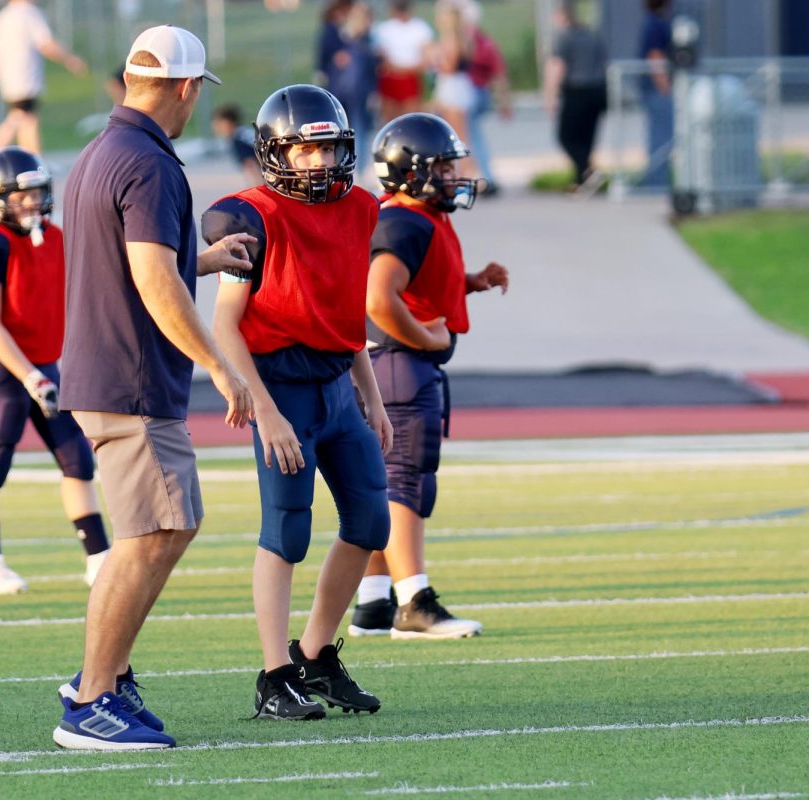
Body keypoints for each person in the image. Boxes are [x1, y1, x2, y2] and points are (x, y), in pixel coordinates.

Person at [54, 25, 255, 750]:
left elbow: (140, 260)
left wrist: (201, 258)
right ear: (186, 88)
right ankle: (91, 695)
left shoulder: (101, 152)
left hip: (106, 371)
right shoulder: (151, 163)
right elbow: (148, 277)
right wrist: (219, 363)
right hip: (131, 377)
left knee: (162, 528)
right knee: (151, 534)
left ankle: (104, 680)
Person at [205, 84, 392, 721]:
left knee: (370, 522)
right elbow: (226, 324)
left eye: (331, 149)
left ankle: (314, 655)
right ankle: (272, 674)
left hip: (337, 385)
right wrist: (265, 409)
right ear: (275, 152)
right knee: (287, 530)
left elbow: (345, 312)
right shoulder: (249, 215)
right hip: (280, 386)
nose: (321, 163)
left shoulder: (361, 208)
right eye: (307, 151)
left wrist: (372, 397)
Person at [349, 112, 508, 640]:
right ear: (410, 171)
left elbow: (420, 280)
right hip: (399, 363)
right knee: (405, 481)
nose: (452, 175)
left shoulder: (416, 218)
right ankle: (413, 600)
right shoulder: (404, 221)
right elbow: (379, 296)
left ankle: (372, 600)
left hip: (392, 364)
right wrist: (424, 337)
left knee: (387, 480)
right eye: (440, 167)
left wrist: (470, 283)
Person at [0, 147, 110, 595]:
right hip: (4, 368)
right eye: (23, 196)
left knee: (77, 460)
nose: (33, 203)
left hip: (45, 365)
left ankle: (99, 558)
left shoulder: (55, 238)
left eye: (38, 193)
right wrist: (30, 377)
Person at [0, 0, 88, 155]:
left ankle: (30, 162)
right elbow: (46, 44)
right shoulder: (30, 13)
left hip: (9, 80)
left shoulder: (4, 16)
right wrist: (70, 59)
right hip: (25, 77)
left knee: (26, 121)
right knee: (21, 118)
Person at [543, 1, 608, 192]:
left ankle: (588, 171)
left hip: (576, 91)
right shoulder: (593, 35)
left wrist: (550, 98)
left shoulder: (564, 37)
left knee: (566, 137)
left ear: (561, 16)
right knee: (586, 138)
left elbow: (557, 68)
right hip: (597, 90)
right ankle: (583, 179)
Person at [463, 0, 513, 196]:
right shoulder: (486, 42)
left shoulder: (467, 41)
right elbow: (499, 74)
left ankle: (484, 176)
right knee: (473, 136)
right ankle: (485, 175)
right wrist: (504, 101)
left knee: (470, 137)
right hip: (481, 91)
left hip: (470, 92)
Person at [325, 1, 377, 180]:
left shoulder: (348, 38)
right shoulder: (359, 41)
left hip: (347, 91)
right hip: (355, 92)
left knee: (349, 130)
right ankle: (354, 169)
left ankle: (351, 168)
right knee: (355, 130)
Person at [428, 0, 474, 170]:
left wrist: (434, 58)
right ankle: (465, 170)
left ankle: (468, 170)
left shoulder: (453, 40)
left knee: (459, 135)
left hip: (453, 87)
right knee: (457, 134)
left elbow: (449, 67)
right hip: (455, 86)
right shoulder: (462, 38)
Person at [374, 0, 433, 122]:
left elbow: (426, 59)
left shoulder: (420, 28)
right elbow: (382, 59)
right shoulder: (384, 29)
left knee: (411, 120)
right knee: (390, 120)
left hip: (411, 79)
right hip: (391, 80)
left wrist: (401, 69)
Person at [639, 0, 674, 188]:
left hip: (655, 89)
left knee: (661, 136)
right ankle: (656, 184)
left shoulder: (655, 22)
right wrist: (666, 88)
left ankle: (657, 181)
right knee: (662, 138)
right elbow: (655, 58)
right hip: (658, 90)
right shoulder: (656, 24)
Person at [210, 104, 261, 188]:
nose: (216, 127)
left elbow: (252, 166)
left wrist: (256, 190)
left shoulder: (237, 140)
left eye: (218, 123)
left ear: (227, 122)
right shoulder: (242, 133)